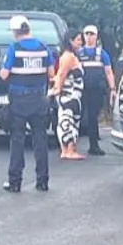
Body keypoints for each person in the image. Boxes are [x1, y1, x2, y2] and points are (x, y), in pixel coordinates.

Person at [0, 15, 55, 192]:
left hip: (19, 100)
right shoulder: (43, 47)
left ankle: (15, 182)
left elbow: (4, 75)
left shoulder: (14, 48)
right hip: (39, 99)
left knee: (17, 140)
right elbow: (51, 74)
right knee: (40, 139)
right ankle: (42, 180)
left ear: (16, 32)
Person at [77, 24, 116, 156]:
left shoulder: (101, 53)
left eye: (91, 34)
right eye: (86, 34)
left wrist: (112, 88)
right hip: (82, 89)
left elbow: (108, 72)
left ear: (96, 36)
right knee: (79, 115)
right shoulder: (79, 53)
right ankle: (70, 145)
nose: (89, 37)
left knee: (93, 116)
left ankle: (93, 144)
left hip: (97, 90)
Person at [48, 32, 86, 160]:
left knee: (67, 119)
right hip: (69, 94)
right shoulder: (68, 57)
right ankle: (68, 150)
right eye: (78, 40)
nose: (81, 42)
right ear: (71, 41)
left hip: (72, 95)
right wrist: (57, 89)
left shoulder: (68, 56)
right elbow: (62, 74)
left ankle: (66, 150)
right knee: (68, 120)